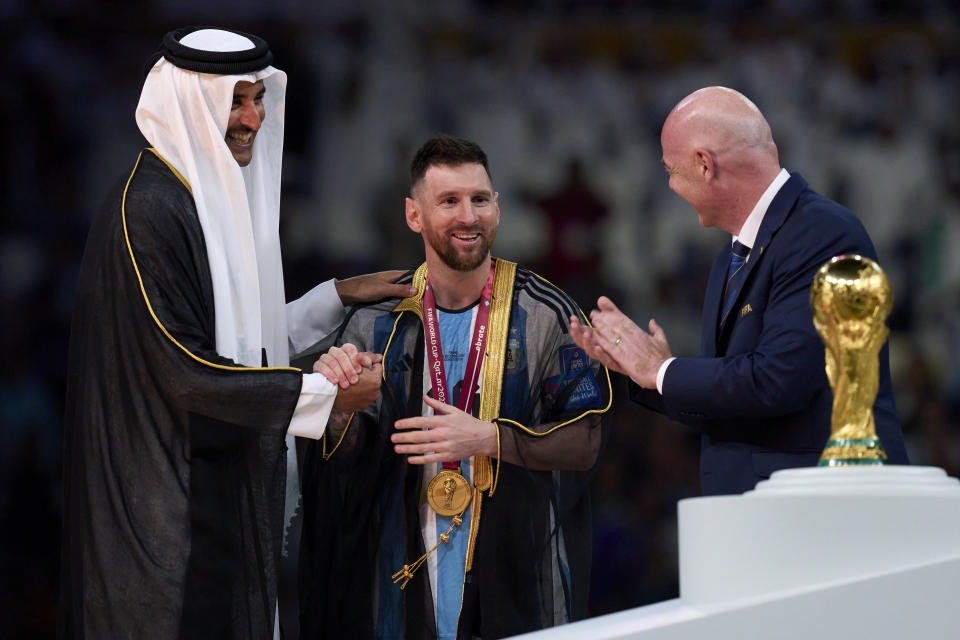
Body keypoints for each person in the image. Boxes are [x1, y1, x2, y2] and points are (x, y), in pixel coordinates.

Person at [59, 27, 415, 639]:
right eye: (236, 100)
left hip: (212, 489)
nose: (252, 117)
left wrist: (336, 296)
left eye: (258, 99)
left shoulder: (188, 195)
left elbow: (236, 338)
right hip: (169, 510)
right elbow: (186, 370)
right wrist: (327, 397)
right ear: (195, 104)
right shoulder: (149, 208)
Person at [298, 134, 612, 639]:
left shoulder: (548, 313)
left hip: (519, 571)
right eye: (449, 201)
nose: (469, 216)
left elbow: (586, 441)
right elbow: (344, 456)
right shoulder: (376, 320)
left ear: (498, 208)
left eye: (479, 199)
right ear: (413, 215)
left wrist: (489, 439)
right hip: (398, 572)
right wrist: (340, 406)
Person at [571, 86, 908, 496]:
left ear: (704, 165)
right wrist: (654, 374)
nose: (671, 187)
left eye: (670, 171)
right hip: (765, 514)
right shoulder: (731, 258)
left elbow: (777, 382)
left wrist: (661, 371)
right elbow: (735, 400)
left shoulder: (821, 234)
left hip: (829, 511)